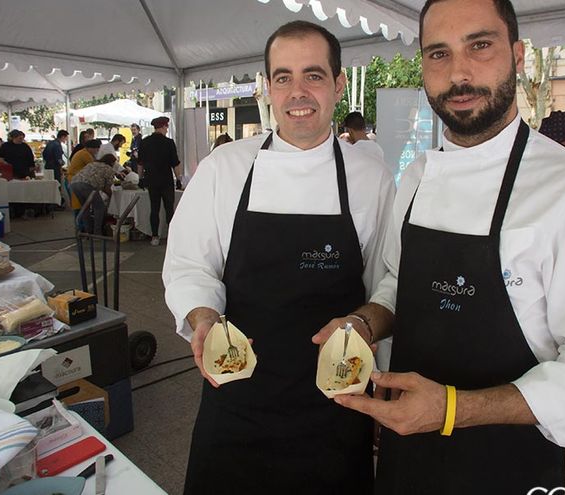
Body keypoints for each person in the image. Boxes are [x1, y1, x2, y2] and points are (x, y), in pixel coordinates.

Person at [319, 1, 565, 493]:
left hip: (507, 468)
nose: (459, 73)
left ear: (517, 56)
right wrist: (364, 323)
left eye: (479, 45)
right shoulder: (417, 177)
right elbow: (398, 281)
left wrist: (453, 408)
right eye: (439, 53)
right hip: (403, 461)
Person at [162, 20, 394, 494]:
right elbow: (189, 264)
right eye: (283, 77)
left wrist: (365, 326)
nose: (297, 92)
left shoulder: (370, 177)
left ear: (339, 84)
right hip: (235, 400)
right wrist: (203, 316)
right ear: (268, 87)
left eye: (313, 75)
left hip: (337, 405)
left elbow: (389, 280)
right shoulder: (225, 167)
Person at [138, 116, 180, 246]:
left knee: (154, 209)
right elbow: (175, 163)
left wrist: (140, 178)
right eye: (166, 127)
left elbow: (140, 163)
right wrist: (179, 178)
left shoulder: (144, 142)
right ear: (163, 126)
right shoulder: (169, 143)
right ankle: (172, 237)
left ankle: (155, 236)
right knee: (169, 209)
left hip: (151, 180)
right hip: (166, 180)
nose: (167, 129)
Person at [70, 154, 116, 234]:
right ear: (112, 162)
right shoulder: (108, 169)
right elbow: (107, 188)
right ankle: (97, 232)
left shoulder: (92, 163)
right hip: (88, 186)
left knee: (85, 208)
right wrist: (112, 196)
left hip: (74, 184)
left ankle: (88, 231)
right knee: (99, 207)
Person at [67, 139, 101, 211]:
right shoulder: (85, 154)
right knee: (79, 205)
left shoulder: (83, 152)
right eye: (97, 149)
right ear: (91, 148)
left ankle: (81, 217)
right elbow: (94, 167)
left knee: (80, 205)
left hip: (75, 179)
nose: (97, 151)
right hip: (76, 180)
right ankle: (80, 218)